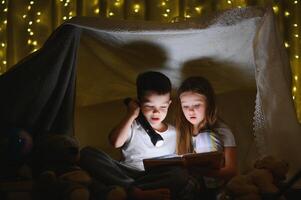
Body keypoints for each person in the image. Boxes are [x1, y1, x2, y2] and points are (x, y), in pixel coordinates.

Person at [80, 71, 196, 200]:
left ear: (169, 104)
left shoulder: (175, 133)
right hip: (126, 174)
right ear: (139, 103)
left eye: (163, 107)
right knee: (87, 153)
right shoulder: (132, 126)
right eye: (149, 106)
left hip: (152, 177)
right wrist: (132, 114)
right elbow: (115, 142)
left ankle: (130, 191)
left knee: (179, 175)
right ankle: (133, 191)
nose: (156, 112)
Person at [175, 76, 237, 198]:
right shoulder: (183, 130)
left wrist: (201, 171)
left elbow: (232, 170)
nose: (190, 111)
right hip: (192, 183)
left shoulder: (222, 131)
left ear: (209, 104)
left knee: (205, 137)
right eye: (185, 106)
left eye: (197, 105)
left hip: (217, 183)